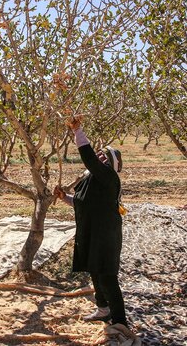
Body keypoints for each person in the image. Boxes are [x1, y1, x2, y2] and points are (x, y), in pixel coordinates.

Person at [54, 116, 137, 341]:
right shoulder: (92, 180)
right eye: (99, 153)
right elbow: (82, 202)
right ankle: (103, 308)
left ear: (110, 163)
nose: (99, 156)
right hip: (93, 232)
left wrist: (77, 130)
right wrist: (65, 197)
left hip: (106, 236)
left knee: (108, 276)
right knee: (94, 270)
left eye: (104, 155)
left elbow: (89, 158)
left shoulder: (108, 176)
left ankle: (120, 321)